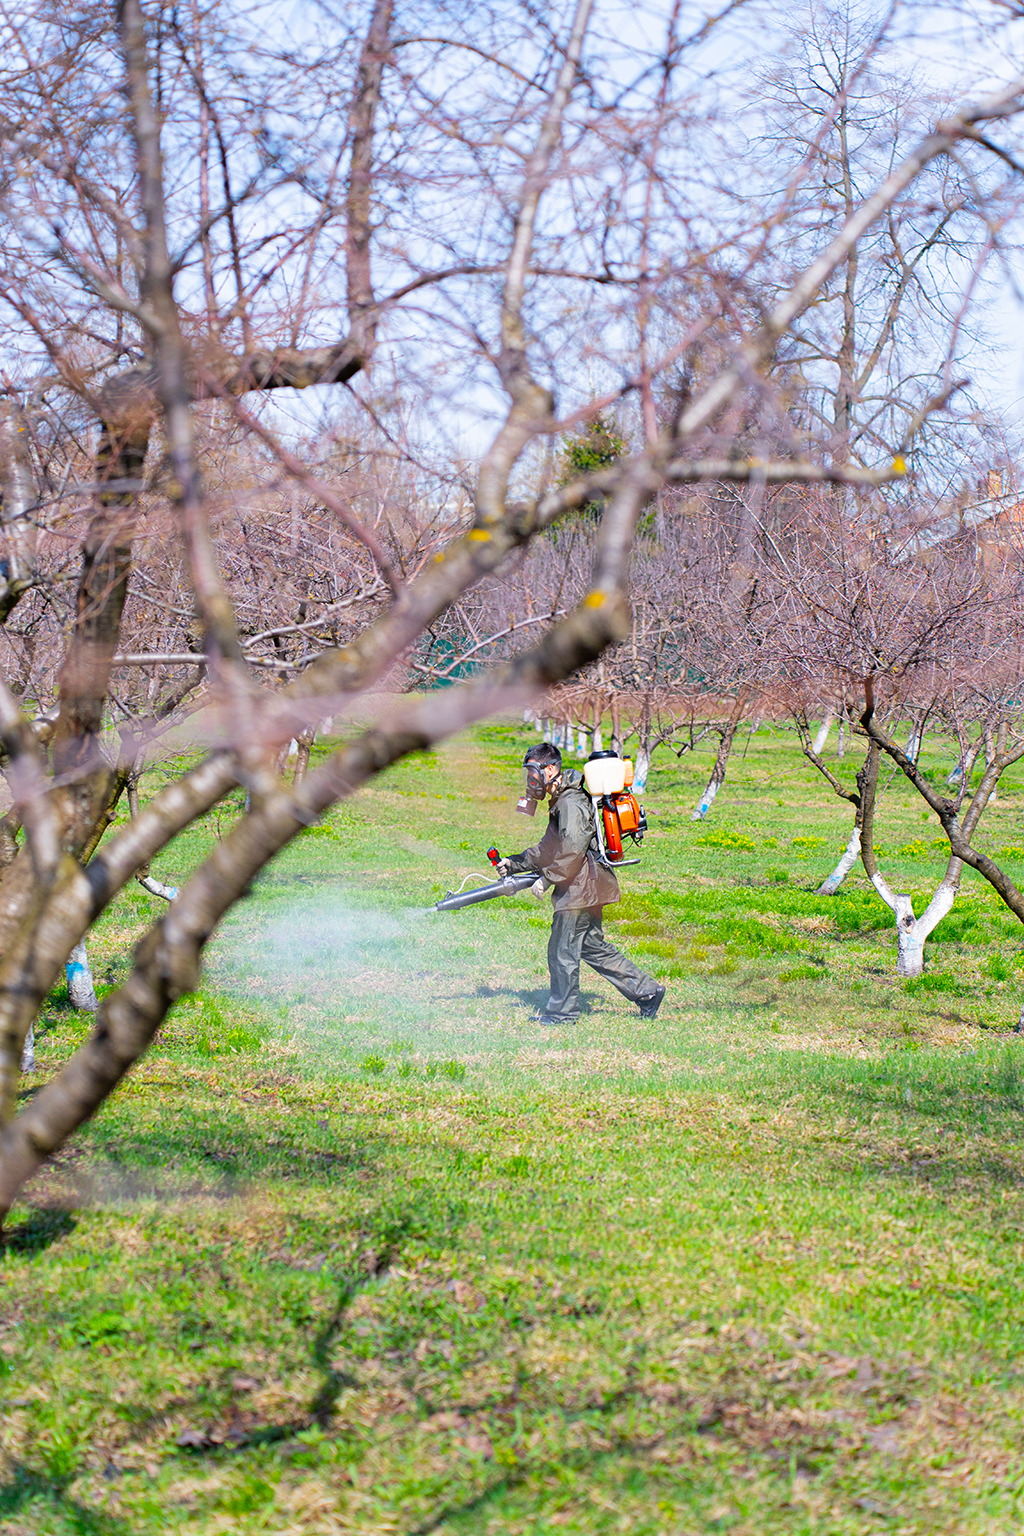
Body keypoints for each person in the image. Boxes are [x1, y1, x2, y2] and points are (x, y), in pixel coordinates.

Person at [496, 742, 666, 1026]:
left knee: (562, 950)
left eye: (534, 773)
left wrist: (546, 879)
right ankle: (647, 992)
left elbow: (572, 849)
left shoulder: (570, 802)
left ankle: (562, 1014)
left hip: (580, 889)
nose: (531, 780)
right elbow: (549, 848)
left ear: (550, 769)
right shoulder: (562, 800)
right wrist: (514, 863)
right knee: (592, 946)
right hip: (588, 884)